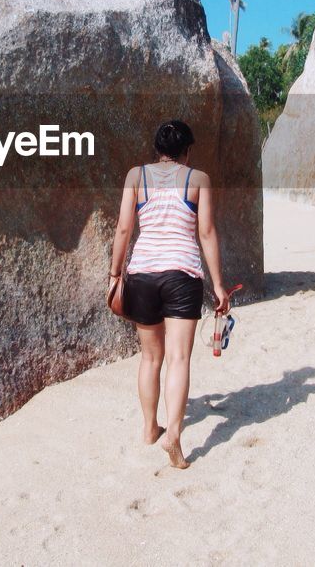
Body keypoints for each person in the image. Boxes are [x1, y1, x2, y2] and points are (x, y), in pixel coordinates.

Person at [107, 119, 231, 469]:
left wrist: (115, 273)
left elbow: (123, 228)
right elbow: (205, 232)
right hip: (182, 274)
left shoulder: (136, 176)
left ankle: (149, 429)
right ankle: (173, 435)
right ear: (186, 151)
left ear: (156, 149)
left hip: (142, 275)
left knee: (150, 358)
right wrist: (218, 284)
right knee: (178, 358)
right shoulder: (198, 180)